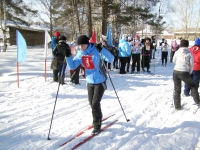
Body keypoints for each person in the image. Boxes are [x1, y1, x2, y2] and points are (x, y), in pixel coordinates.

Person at [66, 35, 114, 135]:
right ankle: (98, 117)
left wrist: (102, 50)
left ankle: (97, 124)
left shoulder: (96, 50)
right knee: (91, 103)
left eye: (83, 45)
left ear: (87, 44)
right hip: (89, 81)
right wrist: (68, 56)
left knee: (95, 103)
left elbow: (111, 59)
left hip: (100, 81)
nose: (81, 47)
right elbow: (73, 66)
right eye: (79, 45)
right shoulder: (80, 53)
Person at [172, 39, 200, 110]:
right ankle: (197, 101)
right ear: (187, 45)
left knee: (177, 89)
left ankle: (177, 106)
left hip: (176, 71)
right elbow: (191, 65)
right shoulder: (189, 53)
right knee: (193, 86)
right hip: (184, 71)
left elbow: (173, 60)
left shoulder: (177, 52)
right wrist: (189, 72)